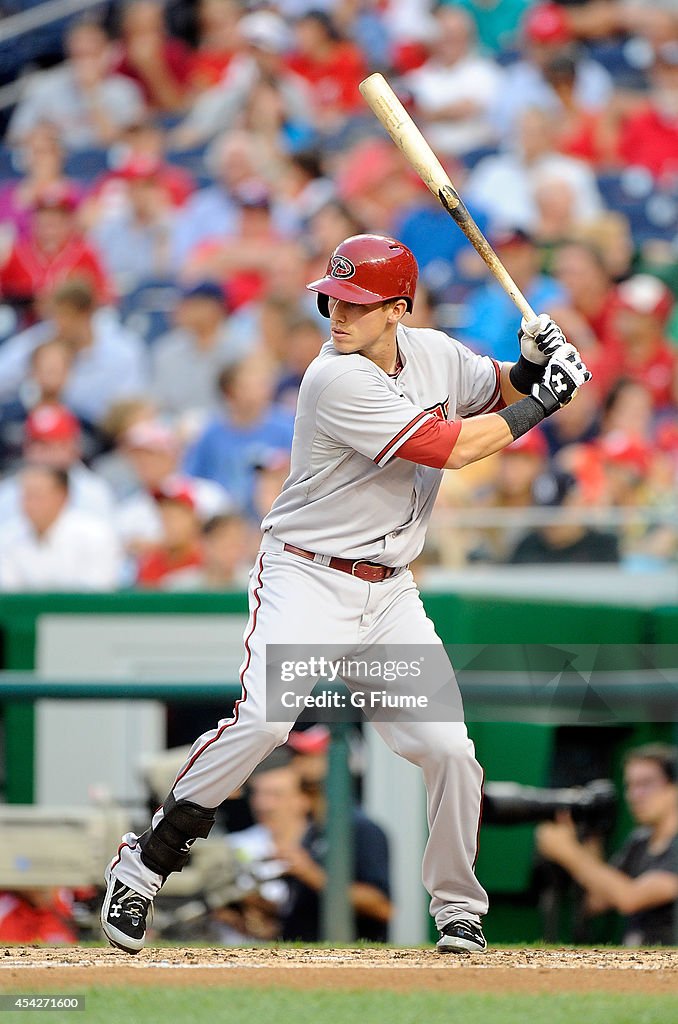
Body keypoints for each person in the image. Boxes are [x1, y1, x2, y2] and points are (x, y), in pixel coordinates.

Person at [101, 233, 592, 956]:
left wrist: (532, 364)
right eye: (332, 298)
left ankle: (459, 909)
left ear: (397, 309)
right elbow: (452, 447)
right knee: (267, 722)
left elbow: (496, 388)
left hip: (388, 594)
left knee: (451, 751)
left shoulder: (433, 353)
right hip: (308, 577)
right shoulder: (333, 378)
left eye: (357, 303)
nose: (336, 313)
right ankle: (146, 861)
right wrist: (550, 398)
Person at [537, 744, 678, 946]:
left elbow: (630, 898)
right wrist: (590, 837)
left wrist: (569, 852)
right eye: (630, 786)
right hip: (636, 962)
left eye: (646, 784)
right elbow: (597, 900)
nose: (635, 795)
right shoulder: (639, 841)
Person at [0, 465, 121, 591]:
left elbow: (98, 592)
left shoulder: (96, 534)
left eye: (37, 495)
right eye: (26, 496)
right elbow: (9, 594)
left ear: (62, 496)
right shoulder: (6, 536)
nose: (30, 504)